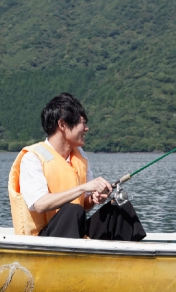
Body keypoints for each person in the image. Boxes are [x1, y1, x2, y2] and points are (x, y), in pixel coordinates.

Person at [8, 93, 145, 241]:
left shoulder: (81, 157)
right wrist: (83, 188)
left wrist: (93, 198)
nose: (86, 128)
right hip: (41, 239)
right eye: (83, 123)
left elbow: (84, 206)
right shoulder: (32, 158)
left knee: (120, 208)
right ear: (62, 125)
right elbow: (40, 204)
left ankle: (129, 259)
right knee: (73, 210)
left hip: (73, 230)